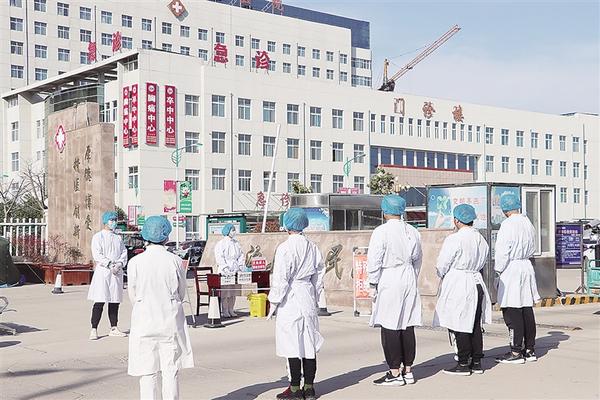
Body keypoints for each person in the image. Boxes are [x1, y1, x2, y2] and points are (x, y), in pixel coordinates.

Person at [127, 216, 194, 400]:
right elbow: (181, 292)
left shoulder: (135, 262)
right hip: (169, 321)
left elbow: (133, 294)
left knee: (147, 372)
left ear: (145, 235)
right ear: (166, 236)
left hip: (144, 322)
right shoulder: (174, 260)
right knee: (170, 369)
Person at [267, 208, 325, 400]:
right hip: (306, 293)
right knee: (309, 344)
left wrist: (273, 302)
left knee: (292, 345)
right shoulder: (312, 246)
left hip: (290, 299)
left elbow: (281, 279)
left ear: (287, 225)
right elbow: (319, 273)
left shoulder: (285, 248)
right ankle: (309, 387)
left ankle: (294, 388)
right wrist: (314, 293)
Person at [368, 194, 423, 386]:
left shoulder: (381, 231)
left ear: (385, 211)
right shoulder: (412, 231)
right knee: (407, 324)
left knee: (390, 324)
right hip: (408, 276)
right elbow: (418, 258)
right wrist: (413, 276)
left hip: (390, 277)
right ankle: (408, 370)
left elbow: (374, 259)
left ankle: (394, 372)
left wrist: (373, 283)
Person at [433, 204, 492, 376]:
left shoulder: (454, 239)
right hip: (476, 281)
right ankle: (476, 362)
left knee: (459, 323)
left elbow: (442, 264)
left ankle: (463, 362)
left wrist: (442, 274)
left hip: (459, 283)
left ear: (456, 220)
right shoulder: (481, 239)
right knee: (475, 323)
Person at [494, 193, 540, 364]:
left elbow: (502, 251)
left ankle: (515, 352)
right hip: (526, 266)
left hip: (511, 268)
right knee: (526, 309)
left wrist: (498, 271)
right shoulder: (527, 222)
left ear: (504, 209)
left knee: (512, 311)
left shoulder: (507, 225)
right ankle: (530, 349)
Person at [87, 211, 128, 340]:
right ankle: (94, 328)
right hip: (103, 272)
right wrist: (109, 264)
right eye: (111, 220)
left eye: (115, 220)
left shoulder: (118, 238)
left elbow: (124, 253)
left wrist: (119, 264)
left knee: (114, 301)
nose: (114, 222)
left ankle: (114, 327)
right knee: (99, 300)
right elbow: (97, 254)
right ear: (105, 221)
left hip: (116, 273)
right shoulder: (98, 237)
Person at [214, 223, 245, 317]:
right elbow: (219, 257)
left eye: (234, 230)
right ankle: (225, 310)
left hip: (235, 269)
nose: (234, 232)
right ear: (227, 231)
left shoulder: (236, 243)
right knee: (225, 292)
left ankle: (231, 309)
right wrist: (226, 268)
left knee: (233, 292)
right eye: (232, 230)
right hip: (225, 271)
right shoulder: (221, 243)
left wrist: (240, 266)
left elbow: (241, 255)